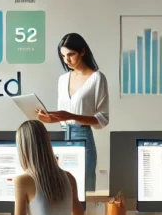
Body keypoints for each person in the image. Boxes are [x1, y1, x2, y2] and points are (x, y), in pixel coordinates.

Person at [36, 33, 108, 191]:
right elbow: (63, 116)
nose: (67, 60)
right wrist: (49, 118)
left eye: (71, 54)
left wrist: (71, 116)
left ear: (82, 52)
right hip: (61, 137)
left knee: (84, 189)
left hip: (83, 137)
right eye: (63, 56)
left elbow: (102, 119)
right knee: (61, 189)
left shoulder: (97, 78)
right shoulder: (63, 79)